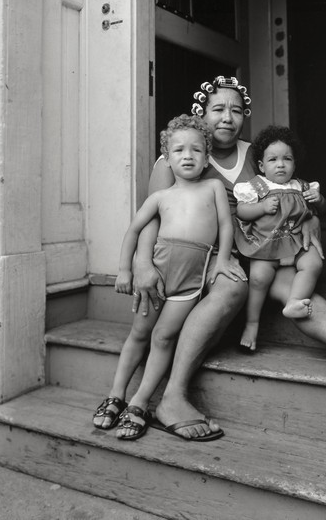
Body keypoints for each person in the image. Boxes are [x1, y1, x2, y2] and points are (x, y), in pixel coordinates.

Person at [131, 76, 326, 440]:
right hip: (202, 261)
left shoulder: (257, 153)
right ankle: (172, 396)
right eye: (218, 109)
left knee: (292, 287)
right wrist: (141, 263)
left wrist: (310, 217)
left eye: (235, 110)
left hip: (258, 252)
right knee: (233, 285)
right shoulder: (178, 156)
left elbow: (292, 190)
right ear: (201, 113)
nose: (227, 118)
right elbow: (152, 218)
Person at [93, 114, 240, 441]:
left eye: (196, 150)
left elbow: (226, 226)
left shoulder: (214, 187)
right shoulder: (160, 198)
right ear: (168, 160)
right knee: (139, 333)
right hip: (159, 272)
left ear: (206, 158)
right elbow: (133, 231)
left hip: (190, 282)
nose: (187, 156)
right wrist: (125, 269)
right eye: (179, 151)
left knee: (163, 338)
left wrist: (223, 261)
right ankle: (116, 395)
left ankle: (140, 403)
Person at [233, 125, 326, 352]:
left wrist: (319, 198)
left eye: (287, 159)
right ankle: (252, 324)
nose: (281, 164)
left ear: (294, 164)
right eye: (273, 160)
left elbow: (322, 209)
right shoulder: (256, 185)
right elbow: (242, 212)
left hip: (296, 242)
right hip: (267, 243)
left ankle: (294, 301)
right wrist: (261, 207)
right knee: (258, 278)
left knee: (313, 262)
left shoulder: (302, 186)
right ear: (263, 166)